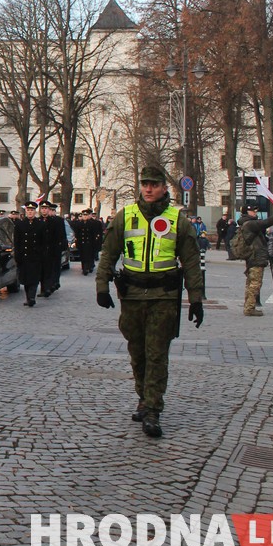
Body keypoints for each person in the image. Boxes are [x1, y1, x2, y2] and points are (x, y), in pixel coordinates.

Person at [95, 165, 205, 438]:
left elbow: (191, 262)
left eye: (154, 184)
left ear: (164, 188)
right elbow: (108, 253)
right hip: (131, 296)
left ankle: (154, 408)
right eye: (144, 184)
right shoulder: (126, 216)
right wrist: (102, 286)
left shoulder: (177, 220)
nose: (148, 189)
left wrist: (196, 299)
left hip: (163, 296)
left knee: (157, 353)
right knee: (137, 352)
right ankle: (143, 397)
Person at [236, 204, 273, 316]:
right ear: (246, 212)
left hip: (253, 256)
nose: (255, 212)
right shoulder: (250, 224)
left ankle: (248, 305)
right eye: (253, 211)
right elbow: (265, 223)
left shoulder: (246, 223)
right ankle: (249, 308)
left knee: (250, 282)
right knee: (255, 283)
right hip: (255, 256)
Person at [14, 202, 46, 306]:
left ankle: (32, 297)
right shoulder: (20, 224)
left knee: (34, 278)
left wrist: (42, 254)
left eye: (32, 210)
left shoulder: (41, 224)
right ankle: (28, 298)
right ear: (26, 211)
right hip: (24, 256)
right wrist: (17, 255)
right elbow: (17, 241)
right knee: (25, 279)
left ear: (35, 211)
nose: (30, 212)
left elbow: (44, 241)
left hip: (36, 256)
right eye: (28, 210)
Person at [38, 200, 66, 296]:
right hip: (41, 250)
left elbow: (60, 236)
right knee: (42, 270)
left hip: (52, 250)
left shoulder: (55, 221)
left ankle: (48, 287)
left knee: (51, 269)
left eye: (46, 208)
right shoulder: (38, 221)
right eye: (42, 208)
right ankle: (43, 288)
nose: (44, 210)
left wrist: (59, 248)